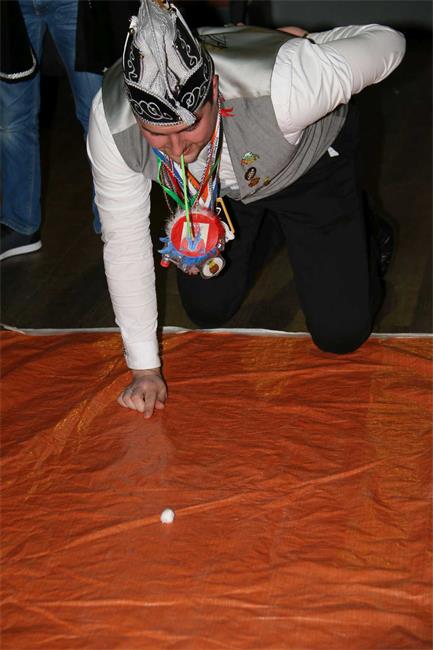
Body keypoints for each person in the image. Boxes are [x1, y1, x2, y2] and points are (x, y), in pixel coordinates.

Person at [87, 0, 406, 418]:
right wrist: (144, 368)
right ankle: (276, 229)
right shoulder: (112, 123)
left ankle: (363, 230)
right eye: (157, 134)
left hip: (309, 170)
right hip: (221, 193)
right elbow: (125, 241)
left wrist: (311, 44)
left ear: (213, 93)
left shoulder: (289, 83)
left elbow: (389, 41)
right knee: (207, 308)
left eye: (190, 126)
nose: (178, 150)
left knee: (341, 334)